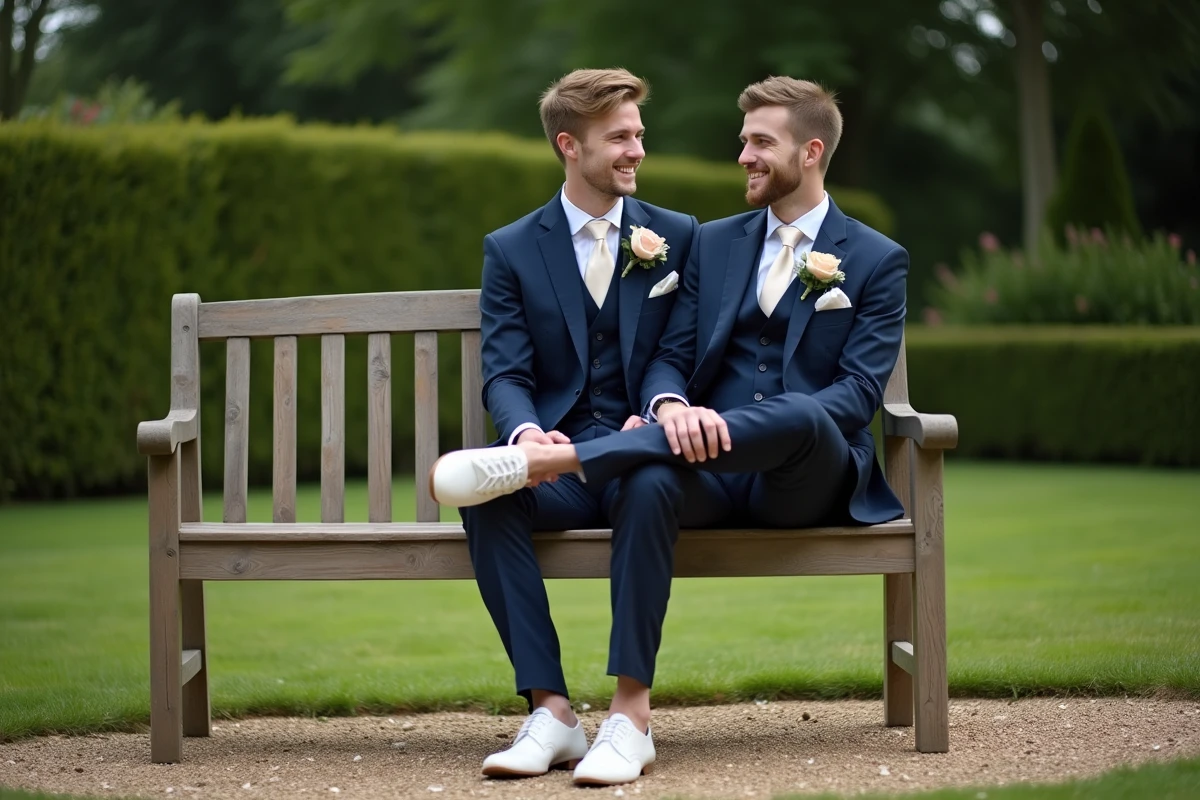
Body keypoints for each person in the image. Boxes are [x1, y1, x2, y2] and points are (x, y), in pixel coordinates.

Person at [433, 76, 910, 777]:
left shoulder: (875, 258)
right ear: (570, 145)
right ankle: (583, 716)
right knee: (645, 477)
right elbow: (673, 356)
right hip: (704, 468)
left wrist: (685, 420)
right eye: (744, 141)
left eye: (758, 143)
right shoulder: (711, 243)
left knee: (809, 411)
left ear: (810, 152)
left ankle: (571, 462)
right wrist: (669, 407)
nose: (742, 155)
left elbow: (859, 396)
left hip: (804, 477)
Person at [459, 66, 699, 785]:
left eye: (639, 135)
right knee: (488, 494)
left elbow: (676, 351)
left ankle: (631, 718)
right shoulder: (511, 247)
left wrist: (657, 407)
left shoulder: (676, 235)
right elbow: (504, 370)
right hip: (555, 462)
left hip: (636, 456)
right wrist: (527, 435)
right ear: (570, 145)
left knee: (657, 482)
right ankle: (553, 712)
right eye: (619, 137)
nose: (637, 151)